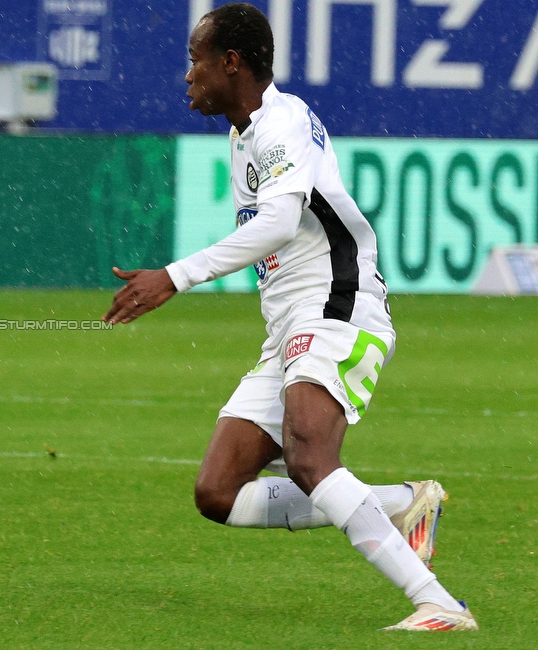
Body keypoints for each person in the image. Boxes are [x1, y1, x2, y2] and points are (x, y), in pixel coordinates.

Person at [102, 3, 477, 632]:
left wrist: (177, 275)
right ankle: (401, 503)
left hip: (336, 303)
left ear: (232, 62)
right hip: (289, 326)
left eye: (197, 61)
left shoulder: (285, 121)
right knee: (217, 492)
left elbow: (278, 223)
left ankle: (438, 603)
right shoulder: (242, 133)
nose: (188, 75)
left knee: (310, 456)